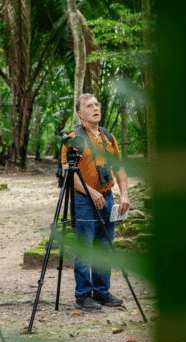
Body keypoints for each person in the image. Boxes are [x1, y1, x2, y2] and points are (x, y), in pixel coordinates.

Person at [61, 93, 130, 311]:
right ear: (80, 114)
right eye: (89, 106)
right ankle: (83, 295)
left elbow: (118, 167)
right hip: (84, 201)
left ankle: (102, 291)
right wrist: (90, 192)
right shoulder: (74, 139)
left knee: (105, 247)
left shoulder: (107, 136)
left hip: (108, 198)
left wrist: (124, 193)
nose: (95, 108)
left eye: (97, 104)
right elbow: (67, 173)